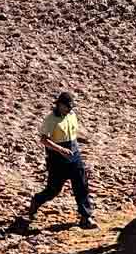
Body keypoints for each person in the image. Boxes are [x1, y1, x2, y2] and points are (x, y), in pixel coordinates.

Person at [27, 92, 95, 228]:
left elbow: (73, 133)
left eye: (71, 107)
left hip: (74, 154)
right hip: (57, 158)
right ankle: (36, 201)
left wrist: (81, 140)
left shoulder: (72, 115)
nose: (70, 109)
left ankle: (86, 217)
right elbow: (44, 140)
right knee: (53, 189)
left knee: (81, 185)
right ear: (59, 105)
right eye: (67, 106)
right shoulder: (50, 119)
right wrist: (61, 150)